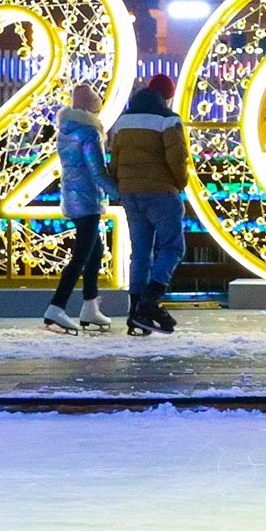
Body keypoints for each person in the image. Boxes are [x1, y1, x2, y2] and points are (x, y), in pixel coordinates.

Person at [108, 74, 188, 336]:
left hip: (130, 193)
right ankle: (150, 302)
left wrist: (122, 185)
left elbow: (115, 158)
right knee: (172, 247)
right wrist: (180, 182)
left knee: (140, 252)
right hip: (160, 191)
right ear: (167, 96)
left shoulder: (124, 121)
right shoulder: (168, 119)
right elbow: (177, 157)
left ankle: (135, 312)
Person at [44, 84, 116, 334]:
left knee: (94, 253)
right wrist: (120, 194)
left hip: (72, 198)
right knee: (81, 257)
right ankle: (57, 306)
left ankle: (90, 306)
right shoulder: (89, 133)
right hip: (88, 200)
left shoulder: (65, 131)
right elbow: (97, 171)